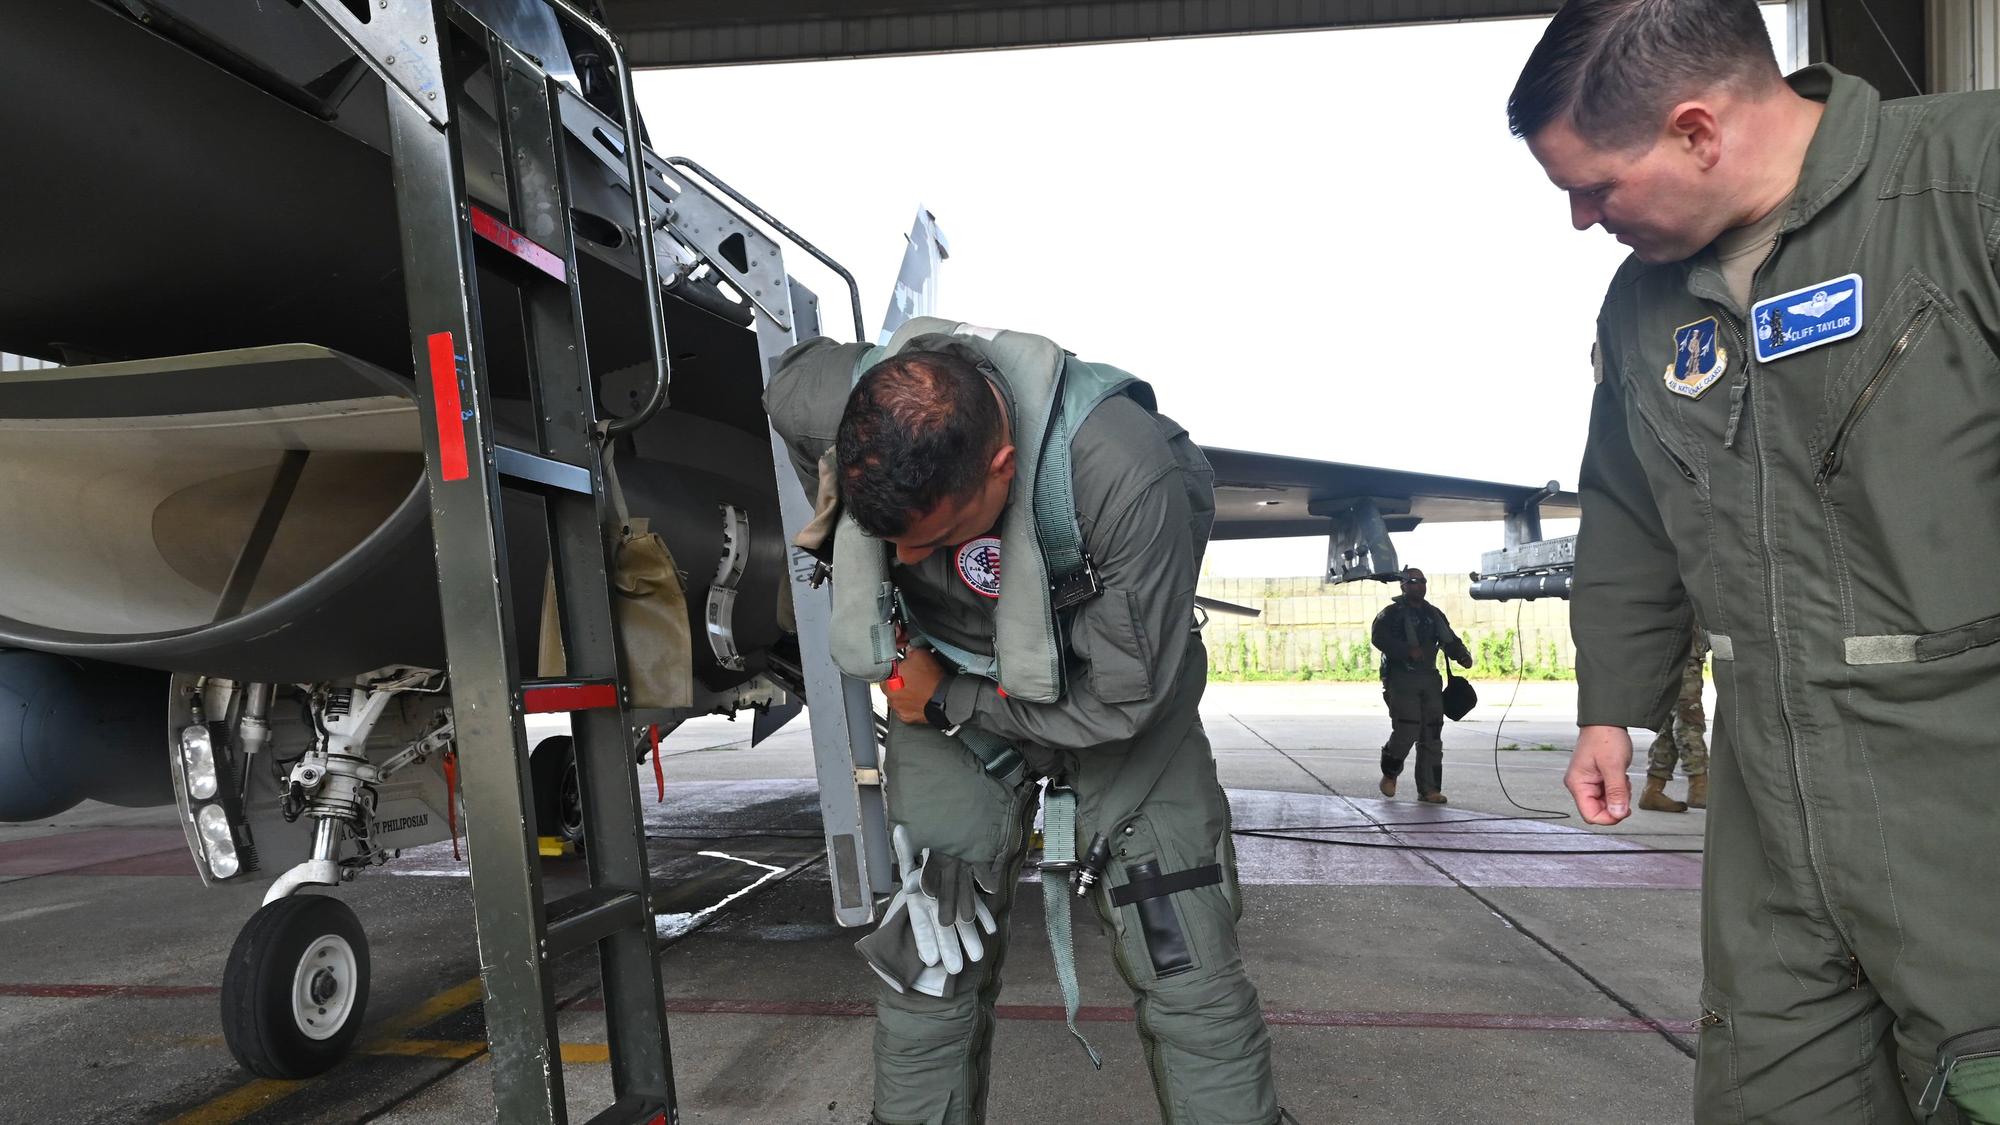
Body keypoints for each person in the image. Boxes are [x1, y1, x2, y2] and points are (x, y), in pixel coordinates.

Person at [1512, 2, 2000, 1120]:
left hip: (1965, 804)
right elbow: (1628, 510)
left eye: (1593, 187)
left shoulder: (1963, 187)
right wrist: (1610, 712)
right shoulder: (1644, 305)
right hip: (1772, 817)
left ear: (1695, 131)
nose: (1581, 222)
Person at [765, 318, 1280, 1125]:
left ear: (1001, 469)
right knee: (930, 956)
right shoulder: (823, 400)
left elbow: (1123, 699)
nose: (906, 561)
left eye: (933, 538)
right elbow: (782, 385)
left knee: (1181, 949)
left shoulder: (1125, 475)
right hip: (953, 680)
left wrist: (940, 698)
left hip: (1111, 694)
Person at [1368, 567, 1473, 804]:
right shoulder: (1391, 614)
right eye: (1414, 581)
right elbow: (1379, 638)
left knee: (1432, 734)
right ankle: (1390, 773)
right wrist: (1406, 651)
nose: (1419, 586)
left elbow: (1449, 639)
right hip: (1401, 679)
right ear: (1403, 586)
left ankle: (1429, 789)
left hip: (1430, 679)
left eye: (1423, 581)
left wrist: (1462, 655)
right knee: (1406, 729)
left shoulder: (1433, 614)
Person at [1638, 633, 1708, 813]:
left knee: (1669, 722)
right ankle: (1699, 785)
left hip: (1677, 649)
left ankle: (1653, 790)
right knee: (1689, 717)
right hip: (1680, 649)